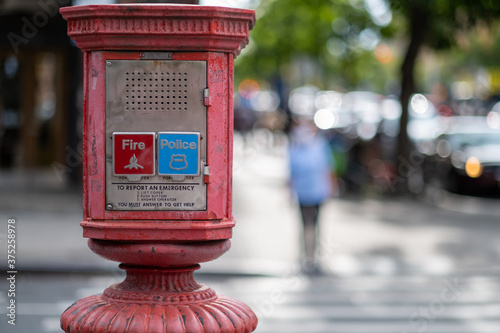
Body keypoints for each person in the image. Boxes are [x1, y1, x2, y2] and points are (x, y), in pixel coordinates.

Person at [288, 119, 335, 274]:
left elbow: (328, 167)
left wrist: (331, 188)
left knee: (314, 225)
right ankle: (306, 256)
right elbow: (291, 173)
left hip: (317, 192)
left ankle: (312, 256)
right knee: (306, 225)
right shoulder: (295, 147)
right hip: (303, 193)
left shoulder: (320, 145)